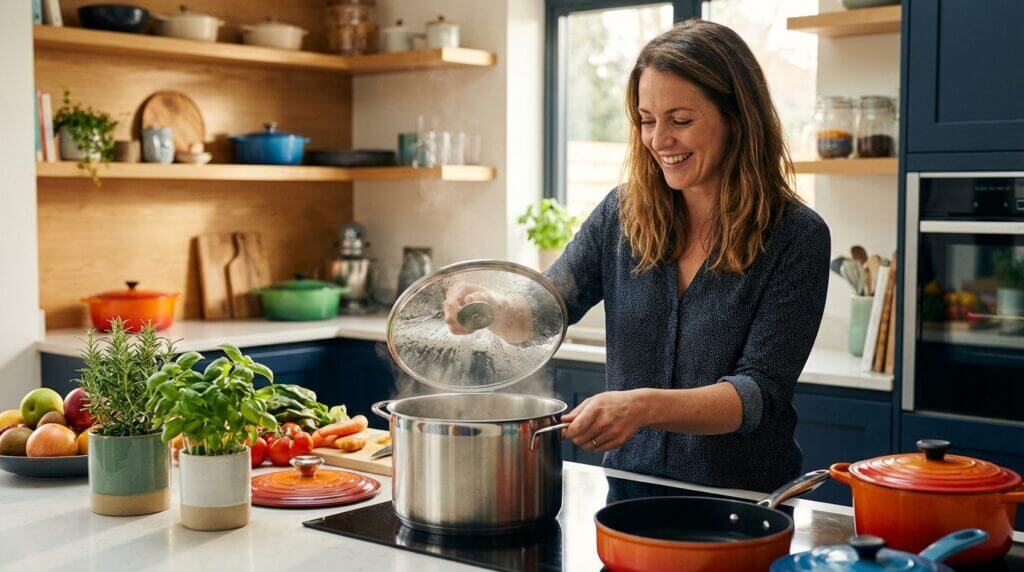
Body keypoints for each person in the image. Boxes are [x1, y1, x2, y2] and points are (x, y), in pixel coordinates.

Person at [446, 19, 829, 492]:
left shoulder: (796, 236)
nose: (659, 140)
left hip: (741, 502)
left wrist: (641, 406)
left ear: (737, 118)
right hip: (627, 492)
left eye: (681, 120)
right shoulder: (622, 214)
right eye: (647, 120)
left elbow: (756, 397)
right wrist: (489, 307)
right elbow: (545, 312)